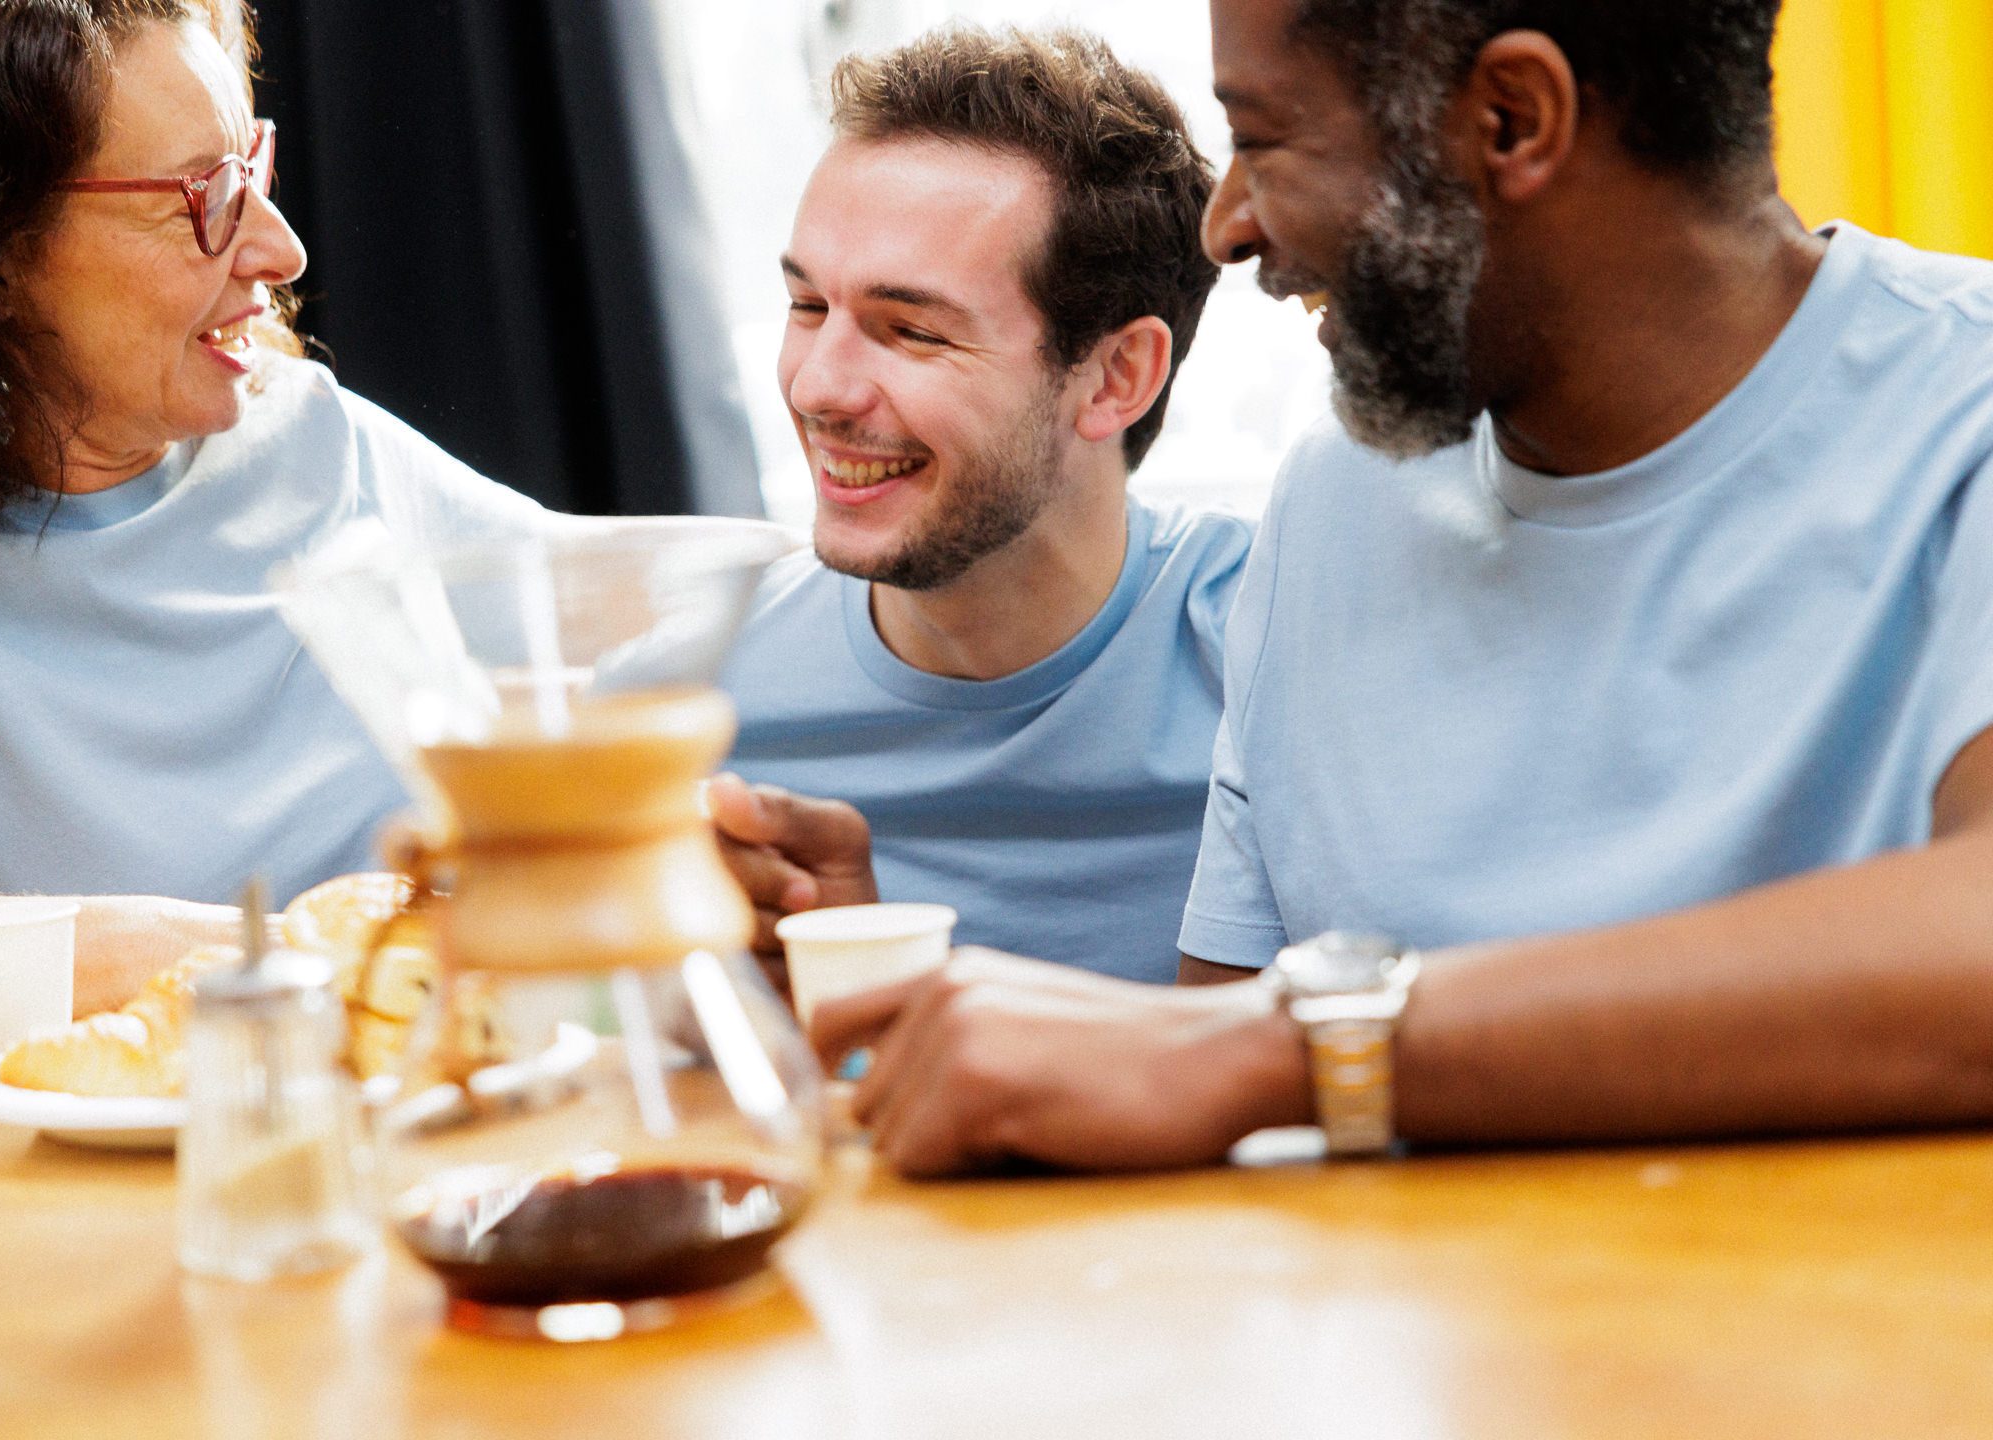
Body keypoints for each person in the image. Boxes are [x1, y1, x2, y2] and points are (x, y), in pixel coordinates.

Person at [790, 0, 1993, 1176]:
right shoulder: (1333, 499)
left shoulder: (1961, 420)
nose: (1226, 226)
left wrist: (1300, 1047)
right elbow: (1196, 1095)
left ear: (1514, 119)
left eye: (1261, 140)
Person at [0, 0, 560, 1030]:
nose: (283, 248)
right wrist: (218, 950)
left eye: (251, 168)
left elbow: (677, 630)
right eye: (204, 197)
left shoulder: (318, 443)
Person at [710, 27, 1253, 984]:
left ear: (1117, 376)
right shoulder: (698, 700)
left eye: (910, 330)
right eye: (806, 309)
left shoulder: (1273, 656)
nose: (817, 387)